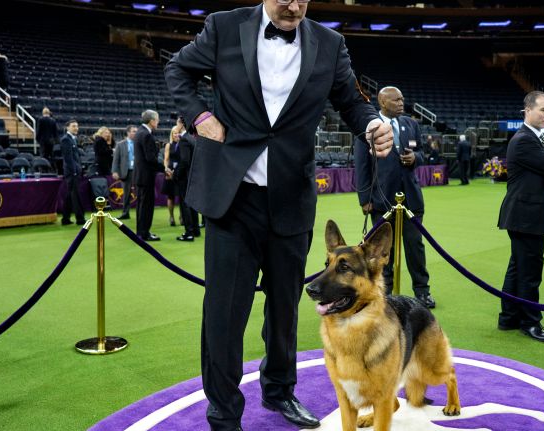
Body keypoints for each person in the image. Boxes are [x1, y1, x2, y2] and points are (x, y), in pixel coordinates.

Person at [164, 0, 393, 428]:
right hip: (232, 198)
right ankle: (224, 410)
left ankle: (279, 392)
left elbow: (351, 101)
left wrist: (371, 125)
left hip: (291, 198)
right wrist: (200, 116)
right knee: (224, 311)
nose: (293, 6)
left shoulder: (330, 43)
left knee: (286, 306)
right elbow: (177, 70)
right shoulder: (223, 26)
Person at [497, 91, 544, 343]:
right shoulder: (525, 140)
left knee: (518, 268)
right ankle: (530, 323)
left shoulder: (536, 138)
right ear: (527, 110)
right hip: (525, 215)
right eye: (543, 110)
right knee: (529, 271)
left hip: (526, 214)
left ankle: (508, 317)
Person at [355, 85, 436, 309]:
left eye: (402, 99)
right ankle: (385, 292)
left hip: (410, 198)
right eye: (396, 100)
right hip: (381, 199)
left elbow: (422, 151)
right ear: (382, 103)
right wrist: (364, 199)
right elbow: (361, 165)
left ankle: (422, 291)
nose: (402, 103)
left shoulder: (411, 124)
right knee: (382, 251)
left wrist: (416, 158)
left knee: (415, 247)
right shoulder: (369, 128)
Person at [134, 110, 167, 242]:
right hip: (146, 176)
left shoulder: (139, 132)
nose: (158, 122)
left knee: (141, 205)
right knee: (146, 205)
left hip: (141, 175)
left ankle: (140, 232)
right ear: (152, 121)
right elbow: (151, 159)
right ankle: (145, 233)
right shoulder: (146, 135)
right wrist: (165, 169)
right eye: (157, 119)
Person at [173, 118, 200, 241]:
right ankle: (195, 229)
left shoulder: (184, 139)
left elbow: (184, 161)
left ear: (181, 124)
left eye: (177, 123)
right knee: (192, 203)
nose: (176, 125)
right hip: (193, 176)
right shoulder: (192, 138)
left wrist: (176, 174)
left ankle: (189, 233)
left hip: (185, 177)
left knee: (185, 204)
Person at [60, 120, 85, 226]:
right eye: (73, 126)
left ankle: (65, 218)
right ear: (67, 128)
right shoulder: (66, 139)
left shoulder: (72, 139)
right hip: (71, 172)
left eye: (77, 126)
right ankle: (80, 218)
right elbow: (68, 158)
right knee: (74, 195)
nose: (76, 128)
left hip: (74, 171)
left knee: (70, 195)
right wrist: (74, 171)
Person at [112, 125, 137, 220]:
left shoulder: (138, 143)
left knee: (140, 193)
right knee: (126, 194)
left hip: (137, 171)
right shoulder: (120, 144)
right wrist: (114, 171)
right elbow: (116, 159)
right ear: (128, 133)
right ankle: (125, 212)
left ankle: (141, 212)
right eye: (133, 131)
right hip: (125, 172)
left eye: (136, 131)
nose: (135, 133)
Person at [162, 122, 182, 227]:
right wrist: (166, 168)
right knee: (171, 196)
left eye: (177, 132)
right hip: (170, 173)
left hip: (181, 173)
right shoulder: (168, 145)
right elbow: (166, 159)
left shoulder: (184, 144)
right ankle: (171, 217)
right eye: (174, 133)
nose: (176, 135)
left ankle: (182, 217)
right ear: (171, 134)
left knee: (182, 196)